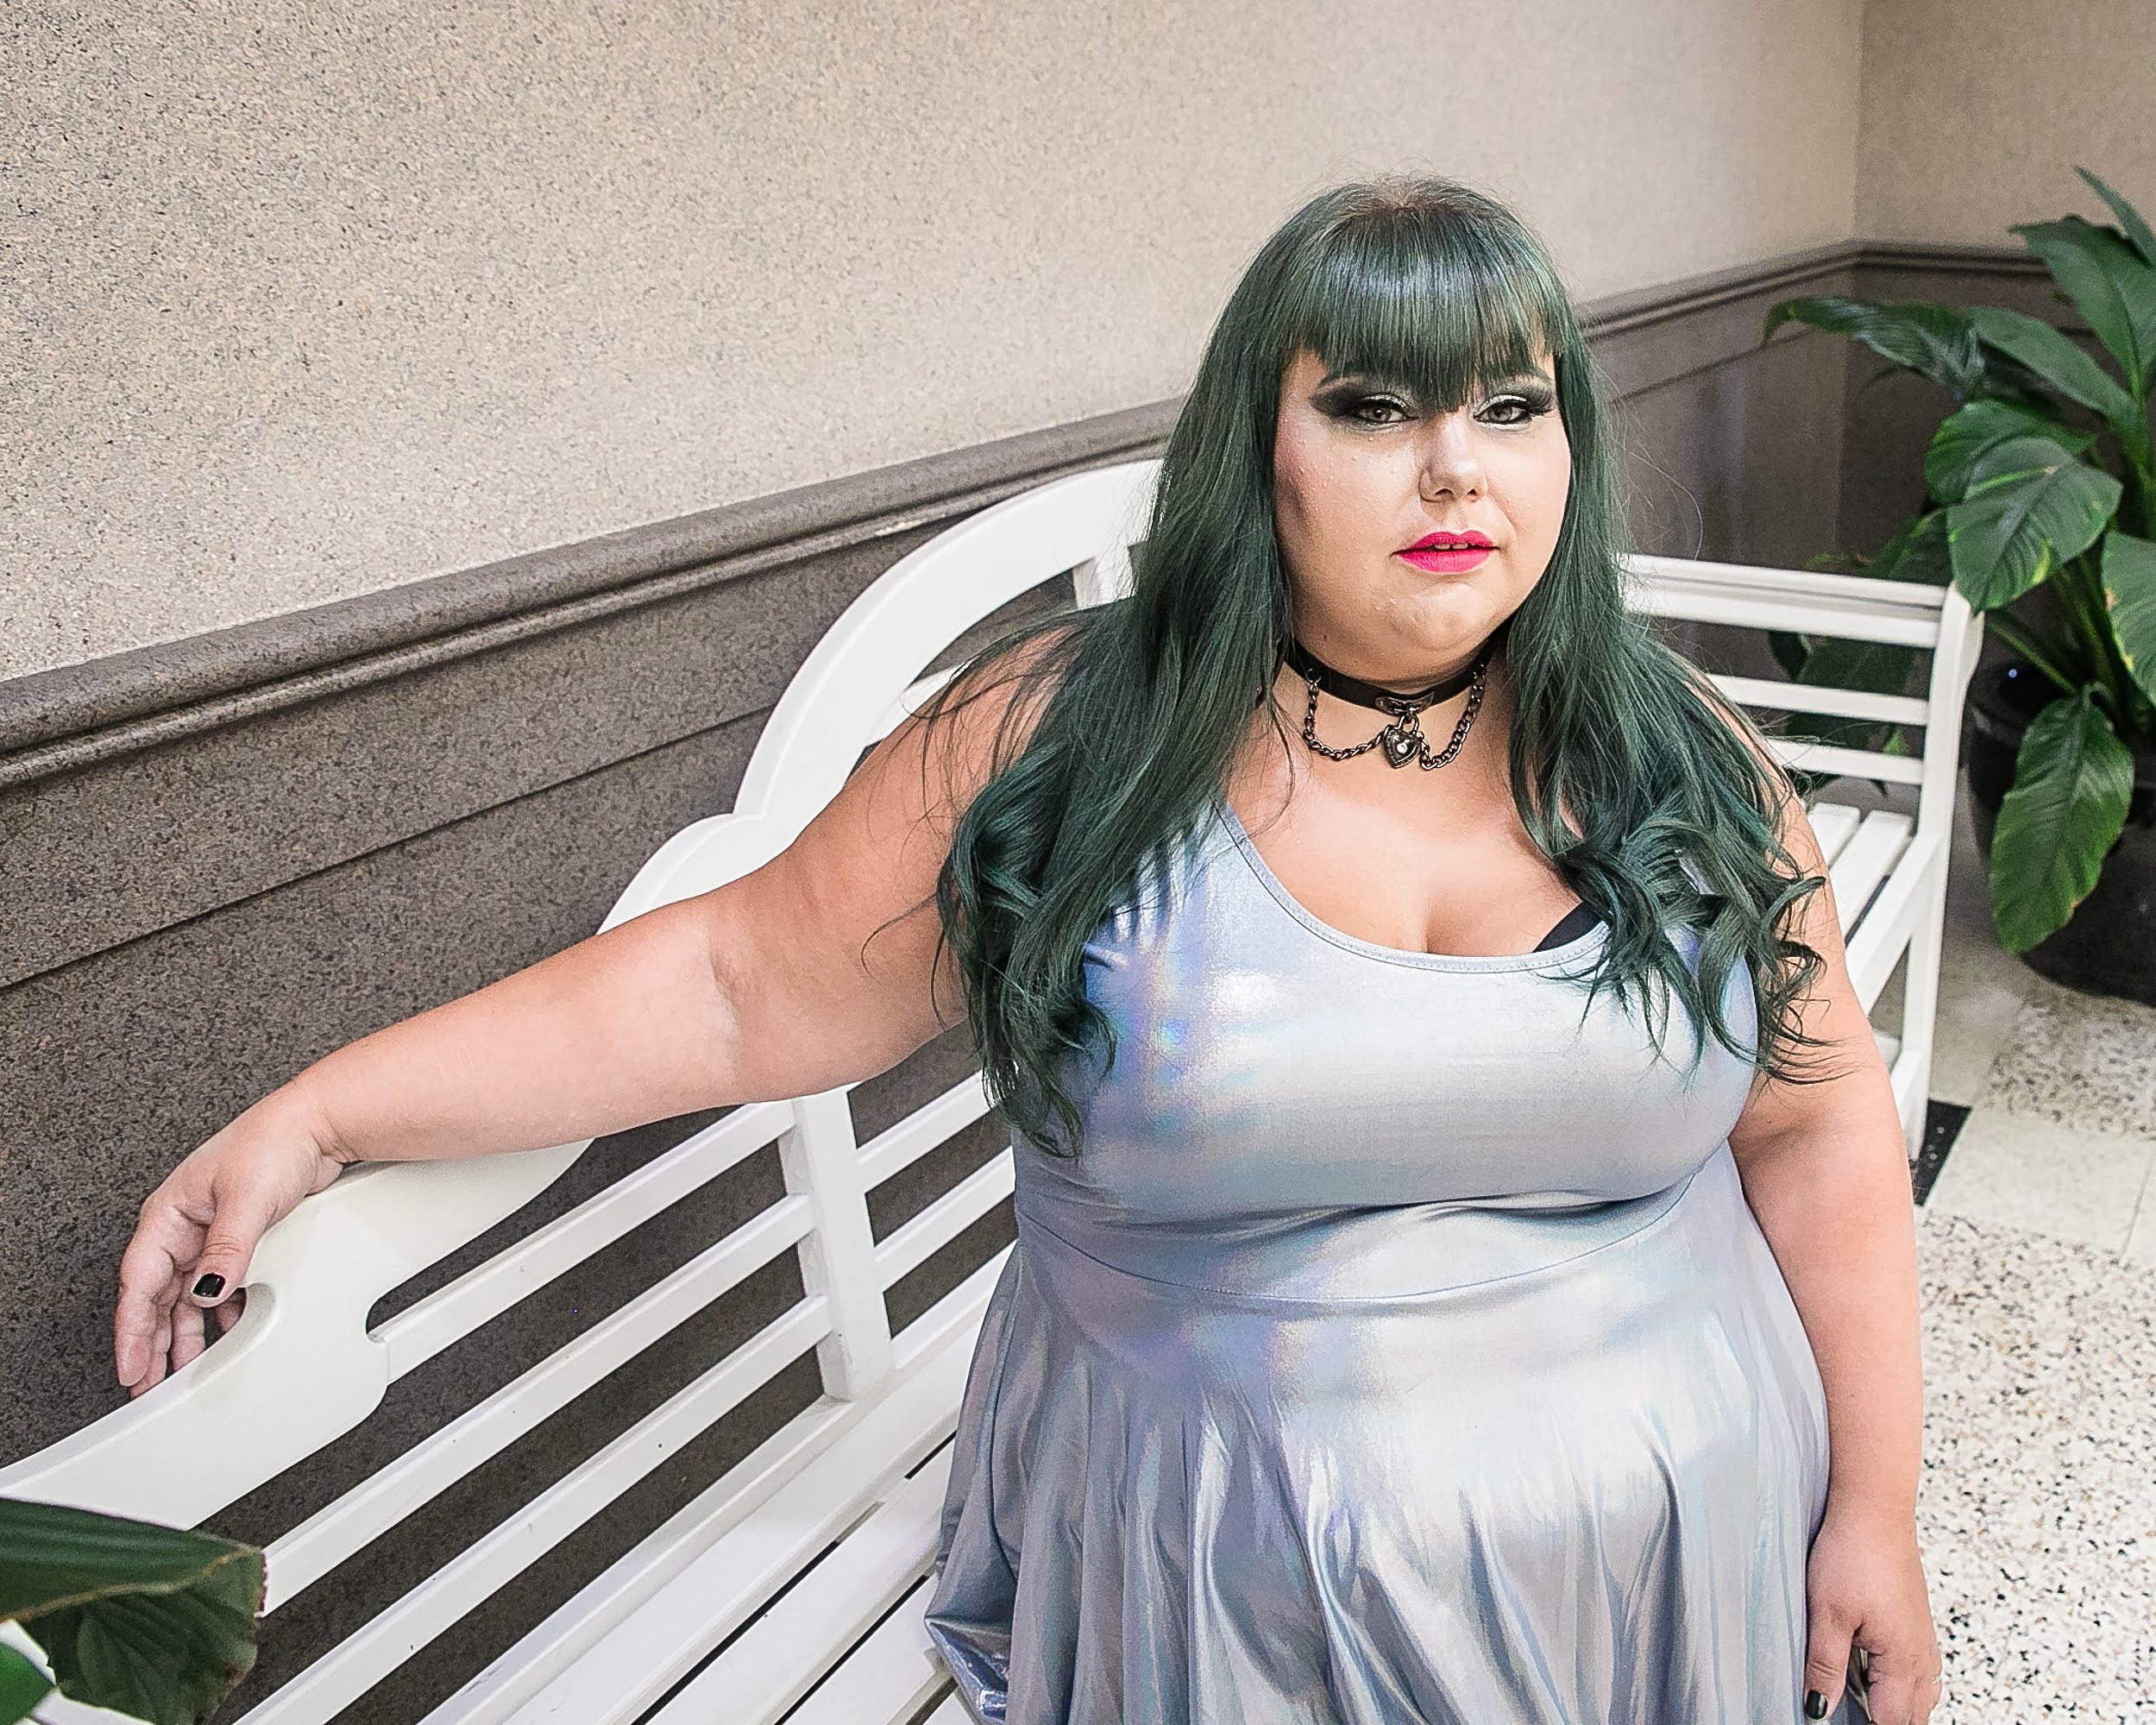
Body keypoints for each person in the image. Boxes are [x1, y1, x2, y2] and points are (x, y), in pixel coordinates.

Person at [112, 175, 1941, 1724]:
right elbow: (734, 982)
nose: (1455, 467)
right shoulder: (1072, 742)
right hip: (1216, 1603)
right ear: (1262, 450)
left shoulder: (1681, 755)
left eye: (1512, 406)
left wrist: (1874, 1509)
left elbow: (1815, 1125)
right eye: (1377, 406)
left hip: (1675, 1557)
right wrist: (325, 1113)